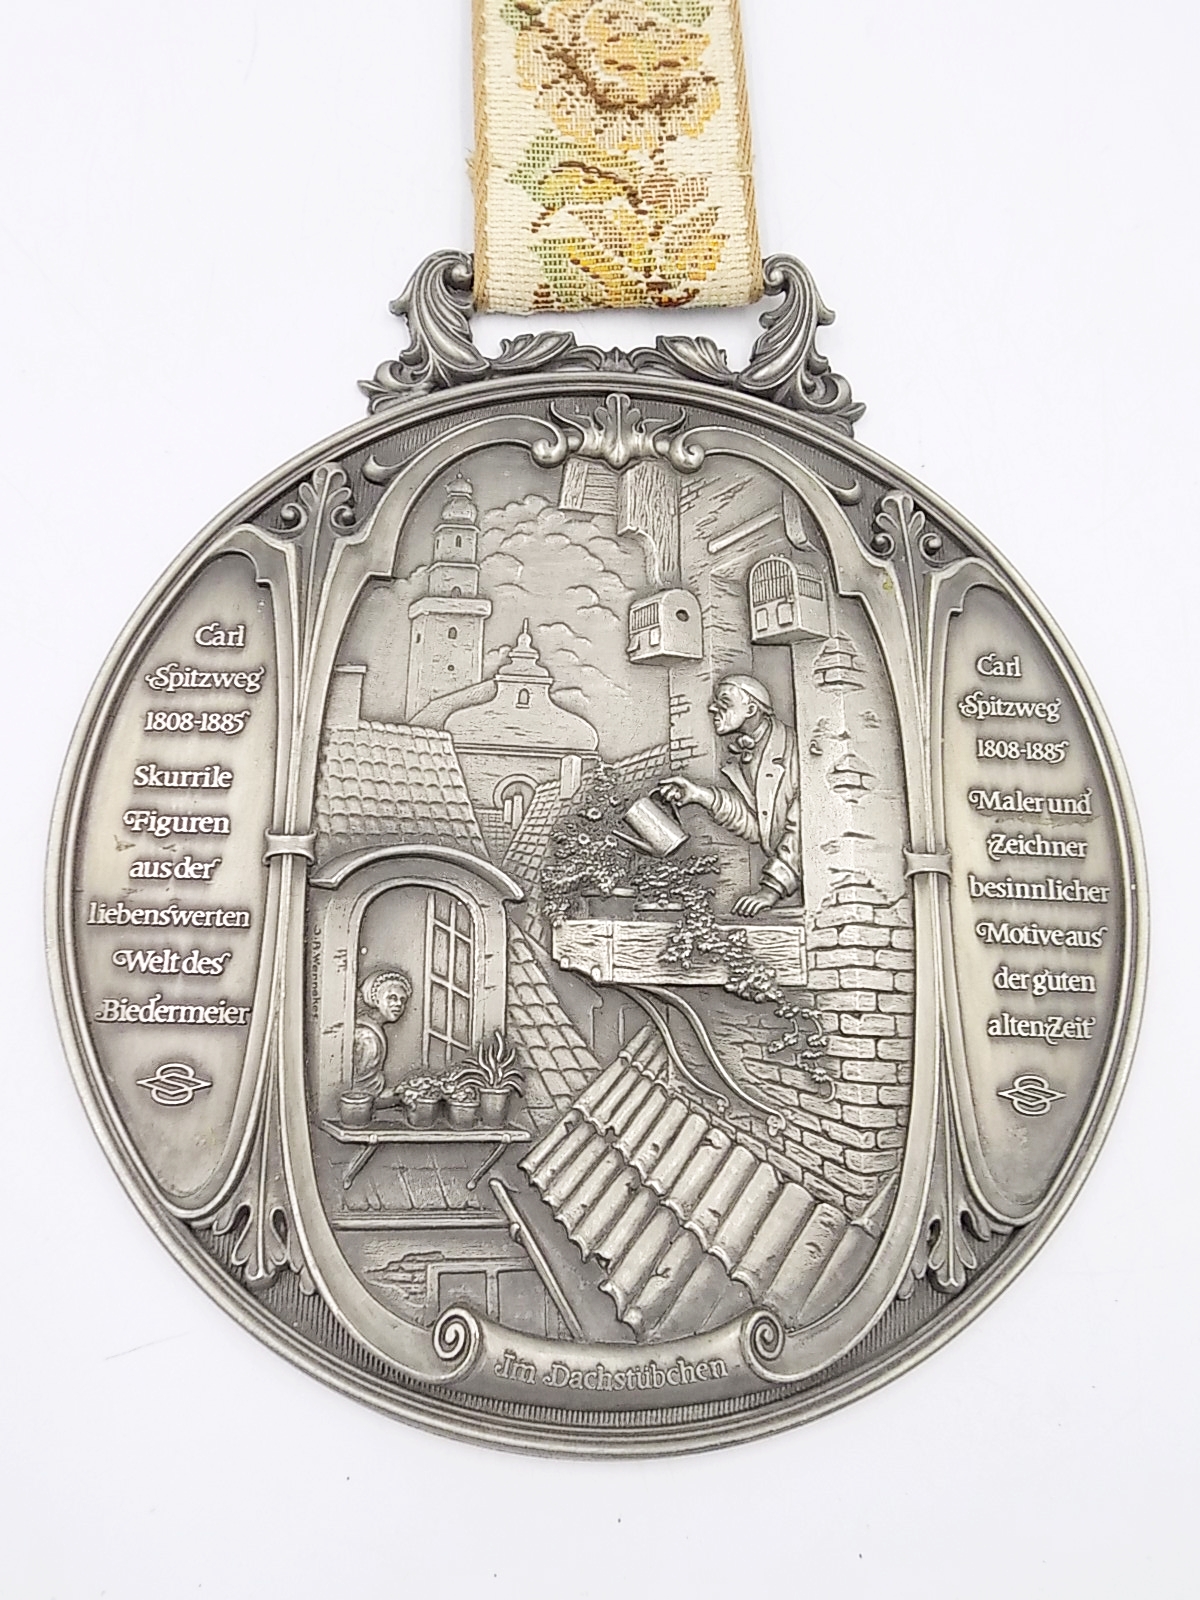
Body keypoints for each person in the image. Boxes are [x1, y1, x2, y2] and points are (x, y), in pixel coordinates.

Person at [660, 674, 803, 916]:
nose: (712, 707)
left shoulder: (795, 750)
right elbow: (759, 827)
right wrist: (699, 795)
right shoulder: (742, 754)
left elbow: (802, 827)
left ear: (751, 709)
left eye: (724, 702)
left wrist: (772, 889)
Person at [351, 968, 413, 1102]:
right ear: (376, 1000)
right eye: (392, 998)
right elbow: (364, 1094)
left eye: (402, 1000)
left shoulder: (371, 1029)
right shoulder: (367, 1038)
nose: (399, 1004)